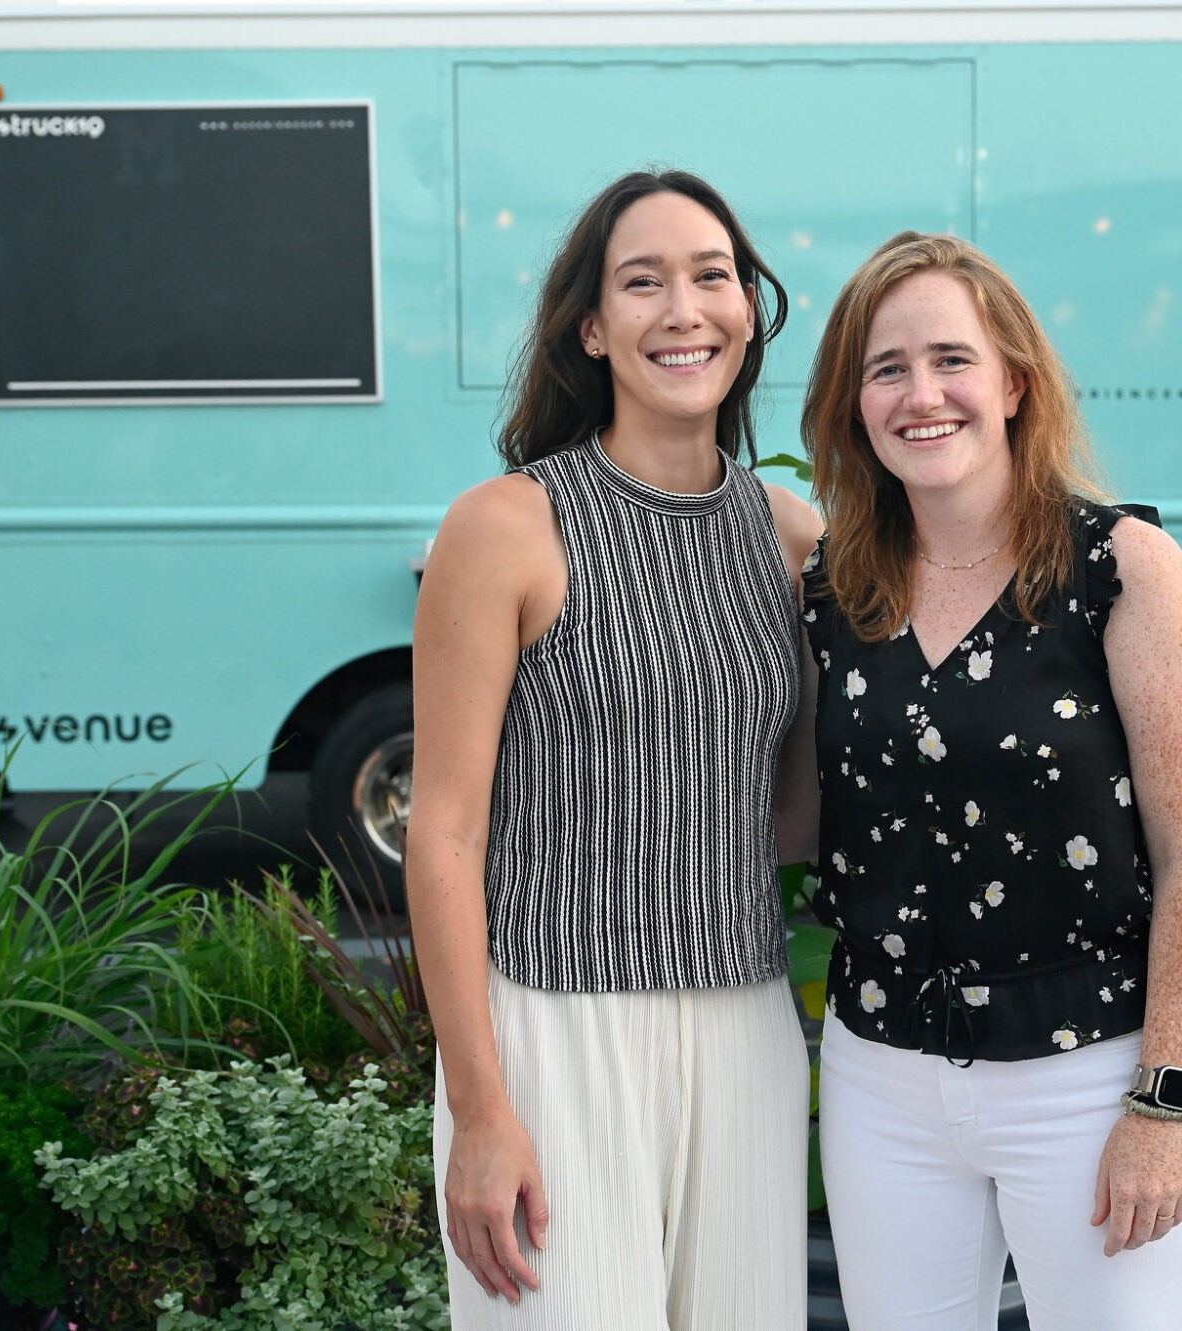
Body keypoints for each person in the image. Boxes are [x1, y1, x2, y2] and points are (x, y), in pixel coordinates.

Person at [404, 169, 822, 1330]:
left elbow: (791, 817)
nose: (683, 309)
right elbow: (442, 832)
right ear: (591, 328)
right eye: (642, 282)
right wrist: (483, 1111)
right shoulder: (506, 525)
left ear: (749, 307)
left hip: (742, 1023)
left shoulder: (794, 540)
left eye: (712, 276)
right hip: (551, 1024)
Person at [795, 231, 1182, 1330]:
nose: (920, 393)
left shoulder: (1122, 568)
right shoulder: (831, 589)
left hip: (1090, 1077)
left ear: (1013, 383)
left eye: (950, 358)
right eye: (884, 367)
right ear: (854, 403)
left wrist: (1162, 1099)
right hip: (879, 1074)